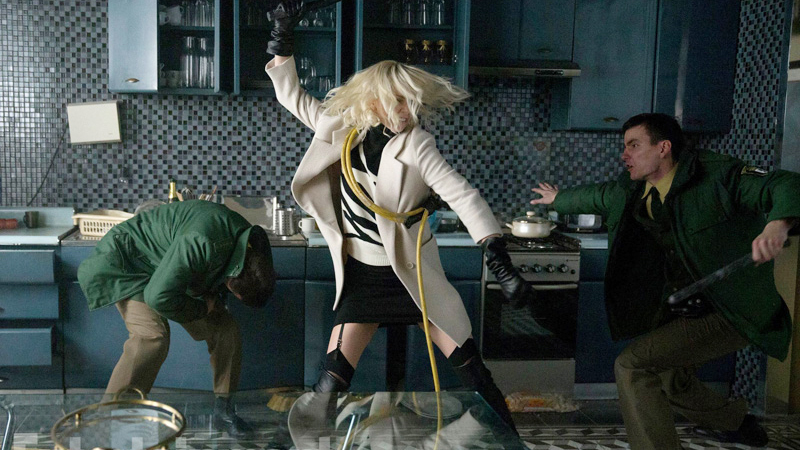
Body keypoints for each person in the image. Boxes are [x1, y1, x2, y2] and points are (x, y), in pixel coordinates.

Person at [263, 0, 533, 439]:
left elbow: (462, 194)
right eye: (397, 101)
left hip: (413, 275)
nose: (407, 110)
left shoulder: (418, 144)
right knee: (330, 381)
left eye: (411, 101)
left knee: (472, 371)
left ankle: (508, 441)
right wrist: (282, 35)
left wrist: (498, 258)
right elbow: (291, 95)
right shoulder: (341, 128)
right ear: (373, 101)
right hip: (364, 274)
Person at [531, 112, 800, 449]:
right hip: (689, 305)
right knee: (670, 376)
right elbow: (599, 195)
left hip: (731, 306)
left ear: (663, 148)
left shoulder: (717, 175)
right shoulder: (632, 189)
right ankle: (734, 421)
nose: (624, 154)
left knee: (632, 366)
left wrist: (778, 225)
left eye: (634, 145)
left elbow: (786, 184)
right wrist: (558, 200)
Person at [77, 200, 276, 438]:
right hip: (130, 263)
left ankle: (223, 411)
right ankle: (111, 422)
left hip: (170, 266)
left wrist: (209, 304)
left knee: (225, 328)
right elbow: (158, 296)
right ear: (232, 281)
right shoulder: (203, 242)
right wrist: (201, 308)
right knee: (151, 338)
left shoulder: (250, 248)